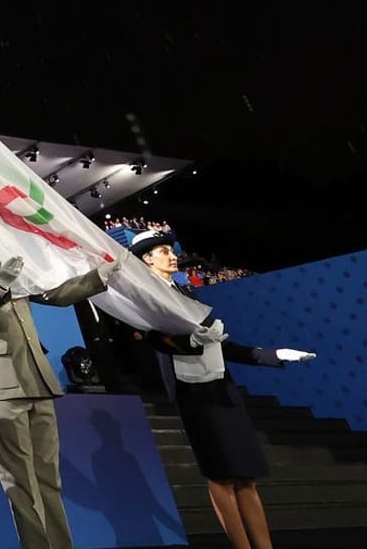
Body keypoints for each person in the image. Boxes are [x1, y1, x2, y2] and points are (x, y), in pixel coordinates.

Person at [127, 230, 315, 549]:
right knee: (221, 476)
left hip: (220, 385)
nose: (172, 255)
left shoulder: (188, 294)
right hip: (193, 392)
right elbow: (150, 338)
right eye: (163, 251)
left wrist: (272, 354)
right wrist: (189, 342)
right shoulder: (145, 296)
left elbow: (221, 345)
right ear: (147, 259)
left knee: (246, 475)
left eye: (171, 250)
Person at [0, 251, 130, 549]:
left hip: (37, 378)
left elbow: (55, 294)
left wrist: (99, 276)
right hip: (1, 384)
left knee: (49, 479)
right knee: (20, 483)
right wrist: (0, 283)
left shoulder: (15, 267)